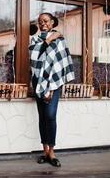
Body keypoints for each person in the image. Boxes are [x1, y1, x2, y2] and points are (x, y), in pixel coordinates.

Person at [29, 12, 75, 167]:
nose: (43, 23)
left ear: (52, 22)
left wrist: (53, 89)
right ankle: (45, 151)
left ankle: (52, 151)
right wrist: (49, 39)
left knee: (50, 116)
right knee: (42, 116)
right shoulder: (35, 39)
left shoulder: (60, 40)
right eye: (40, 21)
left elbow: (61, 64)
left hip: (53, 83)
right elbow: (35, 58)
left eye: (46, 21)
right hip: (38, 81)